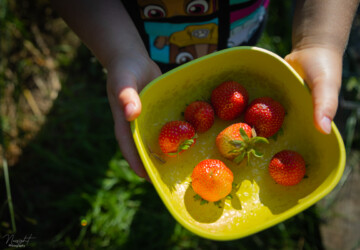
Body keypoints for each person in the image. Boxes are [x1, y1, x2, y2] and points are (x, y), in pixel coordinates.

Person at [51, 0, 359, 180]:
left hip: (239, 30)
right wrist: (120, 52)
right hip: (140, 41)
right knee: (153, 94)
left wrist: (319, 39)